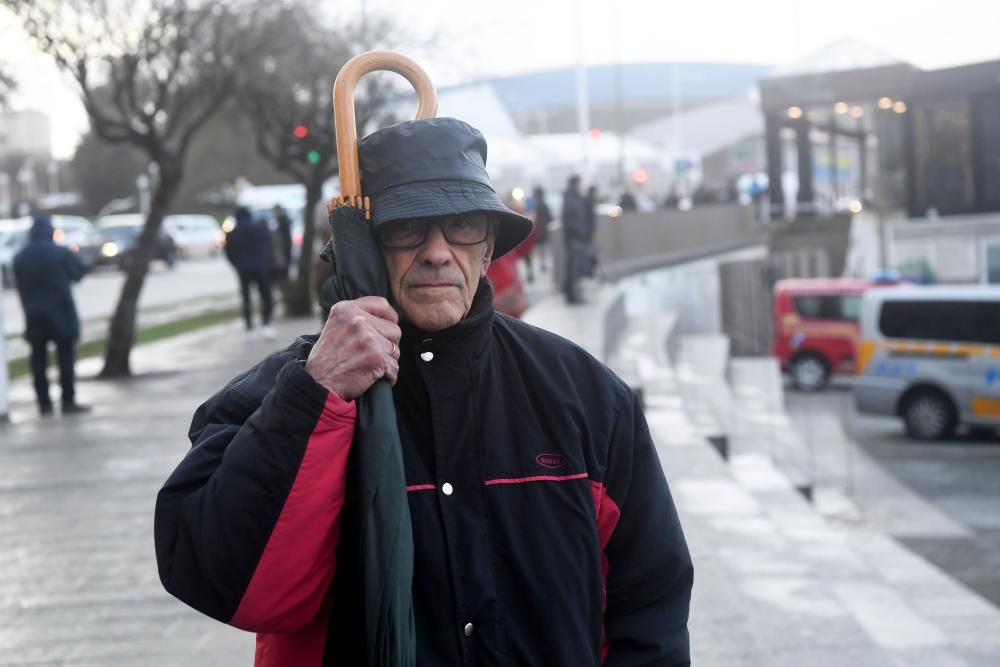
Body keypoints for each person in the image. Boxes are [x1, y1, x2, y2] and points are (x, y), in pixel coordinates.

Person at [154, 117, 692, 666]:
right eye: (407, 229)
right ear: (365, 248)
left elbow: (650, 604)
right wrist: (318, 395)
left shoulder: (586, 397)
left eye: (461, 225)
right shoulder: (279, 395)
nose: (438, 253)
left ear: (487, 251)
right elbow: (229, 582)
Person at [12, 213, 88, 416]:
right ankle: (68, 401)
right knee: (66, 359)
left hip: (34, 315)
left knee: (38, 361)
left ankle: (44, 404)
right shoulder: (60, 253)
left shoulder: (21, 257)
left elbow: (17, 282)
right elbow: (79, 273)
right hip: (61, 313)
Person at [224, 206, 274, 338]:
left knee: (246, 298)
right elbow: (268, 244)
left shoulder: (232, 232)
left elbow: (228, 252)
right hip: (259, 267)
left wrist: (236, 264)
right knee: (265, 296)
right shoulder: (258, 228)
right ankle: (266, 325)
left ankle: (249, 327)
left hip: (243, 269)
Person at [561, 174, 588, 304]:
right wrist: (581, 232)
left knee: (575, 267)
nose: (581, 186)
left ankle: (572, 293)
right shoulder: (571, 199)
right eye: (579, 183)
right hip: (574, 239)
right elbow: (571, 220)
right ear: (575, 184)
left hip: (575, 238)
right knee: (573, 268)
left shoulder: (574, 197)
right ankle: (571, 295)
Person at [530, 185, 553, 271]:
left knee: (541, 248)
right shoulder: (543, 204)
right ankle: (543, 264)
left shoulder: (536, 204)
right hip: (543, 230)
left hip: (538, 229)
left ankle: (542, 264)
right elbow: (549, 217)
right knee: (543, 248)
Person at [269, 204, 294, 283]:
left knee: (284, 270)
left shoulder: (282, 221)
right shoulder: (281, 220)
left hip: (284, 249)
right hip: (284, 249)